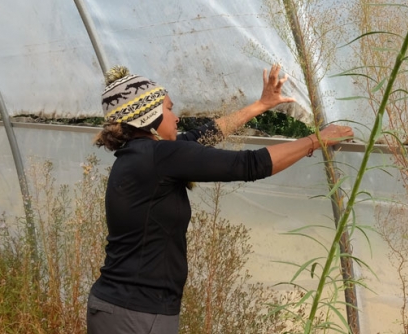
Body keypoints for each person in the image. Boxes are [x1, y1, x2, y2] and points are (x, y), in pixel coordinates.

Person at [86, 64, 353, 334]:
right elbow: (251, 164)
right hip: (137, 314)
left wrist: (261, 104)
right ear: (148, 116)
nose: (175, 117)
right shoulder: (159, 156)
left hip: (116, 306)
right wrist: (315, 139)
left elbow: (199, 137)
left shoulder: (137, 156)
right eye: (168, 109)